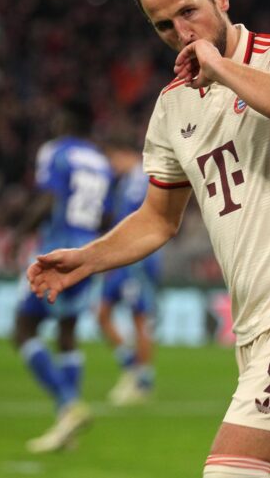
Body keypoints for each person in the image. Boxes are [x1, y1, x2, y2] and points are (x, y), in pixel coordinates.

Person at [27, 0, 270, 478]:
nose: (181, 32)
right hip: (258, 327)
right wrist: (87, 259)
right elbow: (158, 218)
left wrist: (219, 66)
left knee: (229, 470)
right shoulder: (173, 107)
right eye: (163, 25)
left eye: (188, 11)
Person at [11, 101, 113, 453]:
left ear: (68, 120)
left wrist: (18, 234)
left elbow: (48, 199)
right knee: (67, 333)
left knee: (23, 329)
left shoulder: (56, 151)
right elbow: (106, 215)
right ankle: (66, 427)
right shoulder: (100, 161)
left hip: (56, 252)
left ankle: (68, 404)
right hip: (88, 253)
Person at [97, 135, 161, 406]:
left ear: (122, 153)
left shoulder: (140, 176)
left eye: (112, 159)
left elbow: (140, 220)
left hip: (137, 259)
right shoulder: (125, 181)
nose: (111, 166)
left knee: (139, 319)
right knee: (102, 313)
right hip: (121, 257)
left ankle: (141, 381)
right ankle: (131, 368)